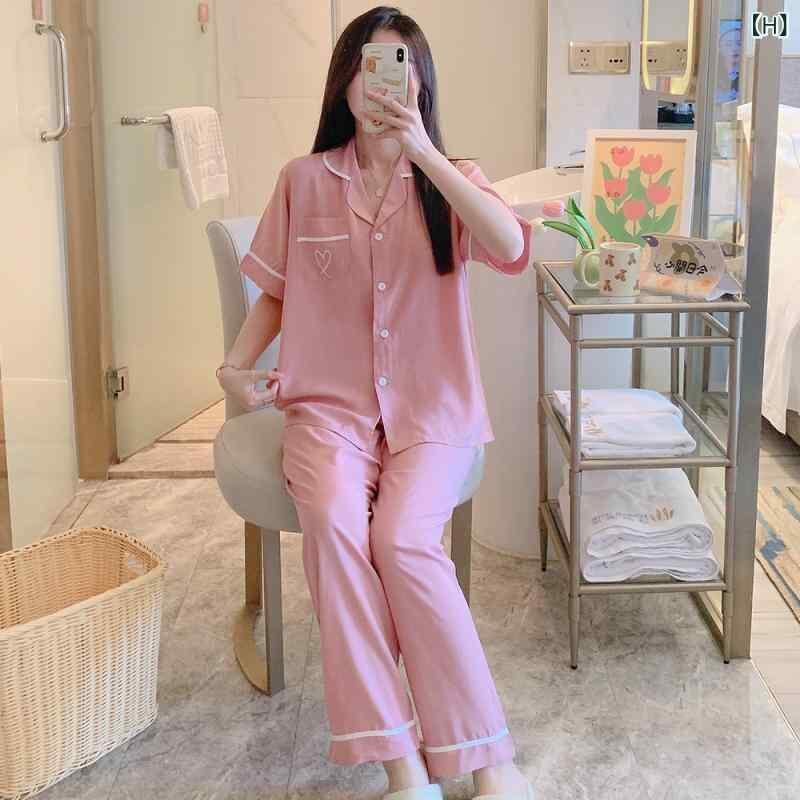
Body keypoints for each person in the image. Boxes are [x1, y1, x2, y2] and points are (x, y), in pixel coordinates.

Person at [217, 6, 536, 800]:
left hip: (434, 412)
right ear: (345, 81)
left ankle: (486, 760)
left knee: (401, 540)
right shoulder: (303, 180)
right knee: (333, 526)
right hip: (327, 412)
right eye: (368, 65)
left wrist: (425, 153)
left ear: (420, 83)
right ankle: (404, 767)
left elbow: (509, 248)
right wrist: (233, 368)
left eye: (400, 66)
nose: (382, 82)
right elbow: (277, 292)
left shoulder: (451, 175)